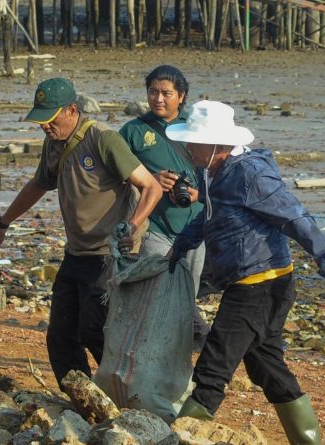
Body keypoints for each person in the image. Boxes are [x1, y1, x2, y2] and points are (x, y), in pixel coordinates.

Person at [167, 100, 325, 444]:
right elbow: (211, 215)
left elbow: (296, 219)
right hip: (248, 283)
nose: (188, 148)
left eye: (194, 142)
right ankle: (308, 439)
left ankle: (178, 438)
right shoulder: (211, 171)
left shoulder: (251, 174)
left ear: (218, 145)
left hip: (261, 286)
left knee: (214, 366)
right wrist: (182, 245)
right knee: (265, 366)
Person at [0, 77, 162, 387]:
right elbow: (39, 184)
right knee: (61, 336)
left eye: (50, 119)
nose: (45, 126)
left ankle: (136, 391)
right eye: (41, 120)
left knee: (94, 328)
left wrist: (132, 225)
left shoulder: (102, 139)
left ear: (71, 110)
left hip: (109, 254)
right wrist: (3, 223)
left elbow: (151, 187)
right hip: (76, 252)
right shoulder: (53, 143)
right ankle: (83, 400)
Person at [119, 65, 209, 350]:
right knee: (155, 289)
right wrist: (149, 180)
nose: (158, 99)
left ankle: (179, 347)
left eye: (166, 93)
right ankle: (154, 346)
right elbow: (114, 175)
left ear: (181, 96)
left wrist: (199, 194)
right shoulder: (134, 131)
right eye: (153, 92)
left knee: (187, 292)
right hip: (155, 226)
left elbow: (218, 169)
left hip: (195, 225)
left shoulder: (196, 128)